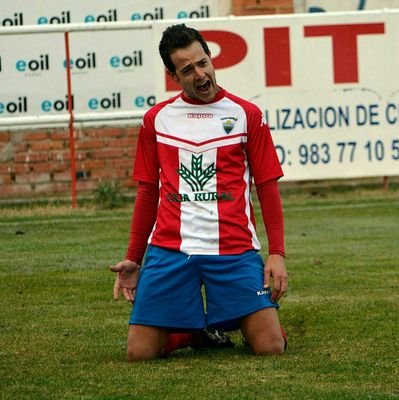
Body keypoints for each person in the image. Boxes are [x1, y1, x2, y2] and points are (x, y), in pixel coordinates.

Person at [110, 23, 288, 361]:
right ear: (173, 76)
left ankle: (245, 319)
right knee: (139, 353)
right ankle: (192, 331)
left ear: (209, 57)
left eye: (203, 62)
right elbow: (147, 192)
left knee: (270, 347)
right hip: (171, 250)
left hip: (233, 249)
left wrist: (277, 253)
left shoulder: (246, 115)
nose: (200, 74)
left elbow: (267, 187)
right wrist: (134, 257)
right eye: (187, 69)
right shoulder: (156, 120)